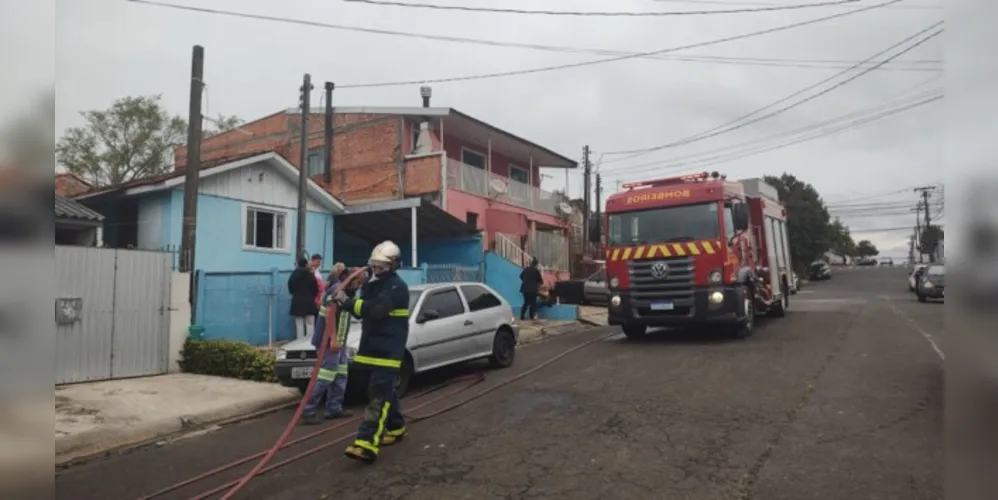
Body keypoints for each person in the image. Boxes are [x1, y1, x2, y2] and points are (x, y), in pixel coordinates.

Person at [332, 240, 410, 465]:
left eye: (382, 265)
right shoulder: (372, 284)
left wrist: (348, 303)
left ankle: (366, 443)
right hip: (370, 348)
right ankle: (396, 428)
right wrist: (345, 293)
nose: (377, 269)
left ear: (394, 265)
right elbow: (360, 310)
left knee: (379, 396)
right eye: (374, 265)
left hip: (388, 350)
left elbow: (376, 311)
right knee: (383, 393)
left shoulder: (396, 287)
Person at [302, 268, 363, 424]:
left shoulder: (348, 293)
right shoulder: (336, 291)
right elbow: (330, 315)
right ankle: (308, 410)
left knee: (341, 374)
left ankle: (334, 408)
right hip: (328, 342)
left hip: (340, 342)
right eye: (357, 282)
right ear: (348, 279)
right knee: (325, 376)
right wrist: (334, 340)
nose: (359, 285)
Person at [288, 257, 319, 340]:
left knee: (299, 324)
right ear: (306, 264)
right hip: (309, 301)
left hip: (297, 301)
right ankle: (309, 343)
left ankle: (299, 343)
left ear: (298, 264)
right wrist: (311, 296)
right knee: (310, 323)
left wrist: (295, 294)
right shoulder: (310, 275)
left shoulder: (294, 274)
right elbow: (316, 288)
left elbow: (290, 287)